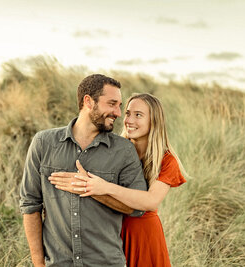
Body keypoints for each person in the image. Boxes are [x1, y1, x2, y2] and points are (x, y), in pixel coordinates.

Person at [19, 74, 147, 267]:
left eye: (119, 105)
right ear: (88, 101)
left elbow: (137, 207)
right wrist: (38, 264)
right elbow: (30, 206)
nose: (118, 113)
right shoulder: (43, 143)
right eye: (112, 104)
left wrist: (91, 189)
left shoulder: (124, 150)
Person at [50, 93, 187, 267]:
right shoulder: (115, 149)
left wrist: (104, 187)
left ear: (154, 120)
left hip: (143, 236)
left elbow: (151, 201)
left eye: (138, 115)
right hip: (109, 231)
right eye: (128, 113)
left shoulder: (166, 160)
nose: (129, 120)